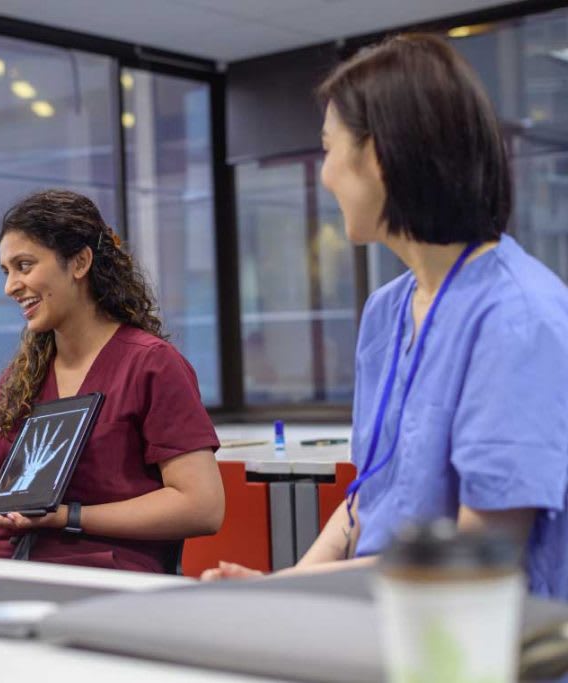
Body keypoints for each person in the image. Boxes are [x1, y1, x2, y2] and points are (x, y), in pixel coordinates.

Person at [203, 34, 568, 598]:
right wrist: (292, 584)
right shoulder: (387, 311)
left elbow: (478, 559)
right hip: (384, 619)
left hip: (487, 646)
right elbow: (368, 497)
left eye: (328, 147)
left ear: (378, 155)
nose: (324, 175)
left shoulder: (518, 318)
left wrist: (300, 593)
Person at [0, 190, 224, 573]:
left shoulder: (152, 365)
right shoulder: (20, 378)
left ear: (80, 262)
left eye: (24, 265)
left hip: (107, 580)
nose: (10, 286)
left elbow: (202, 506)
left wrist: (66, 516)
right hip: (12, 571)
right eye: (6, 271)